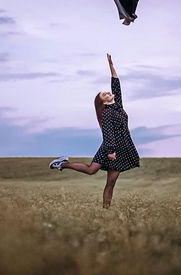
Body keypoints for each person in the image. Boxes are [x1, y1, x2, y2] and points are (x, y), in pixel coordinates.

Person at [49, 54, 140, 208]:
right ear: (103, 101)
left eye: (106, 92)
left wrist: (111, 65)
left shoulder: (118, 106)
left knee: (111, 182)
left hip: (122, 148)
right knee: (91, 170)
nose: (107, 93)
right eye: (104, 94)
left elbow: (116, 85)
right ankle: (62, 164)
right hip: (109, 149)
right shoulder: (106, 113)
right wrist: (111, 151)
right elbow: (108, 133)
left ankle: (105, 211)